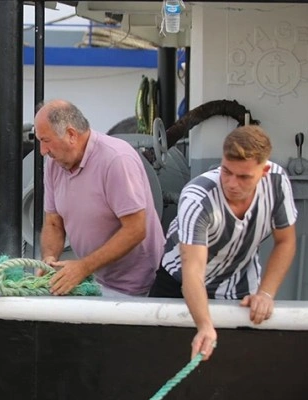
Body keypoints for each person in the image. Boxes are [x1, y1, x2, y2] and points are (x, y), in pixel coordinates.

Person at [149, 125, 297, 361]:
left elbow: (285, 241)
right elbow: (192, 273)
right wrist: (205, 325)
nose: (231, 183)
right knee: (158, 358)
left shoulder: (277, 183)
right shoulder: (197, 198)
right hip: (179, 281)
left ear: (264, 171)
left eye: (244, 177)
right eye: (226, 171)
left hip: (238, 282)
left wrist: (266, 293)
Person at [34, 100, 165, 297]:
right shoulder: (53, 165)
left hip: (140, 288)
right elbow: (53, 223)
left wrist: (83, 267)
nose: (42, 151)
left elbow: (136, 229)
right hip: (97, 281)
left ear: (71, 134)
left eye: (45, 141)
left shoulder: (116, 159)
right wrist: (49, 257)